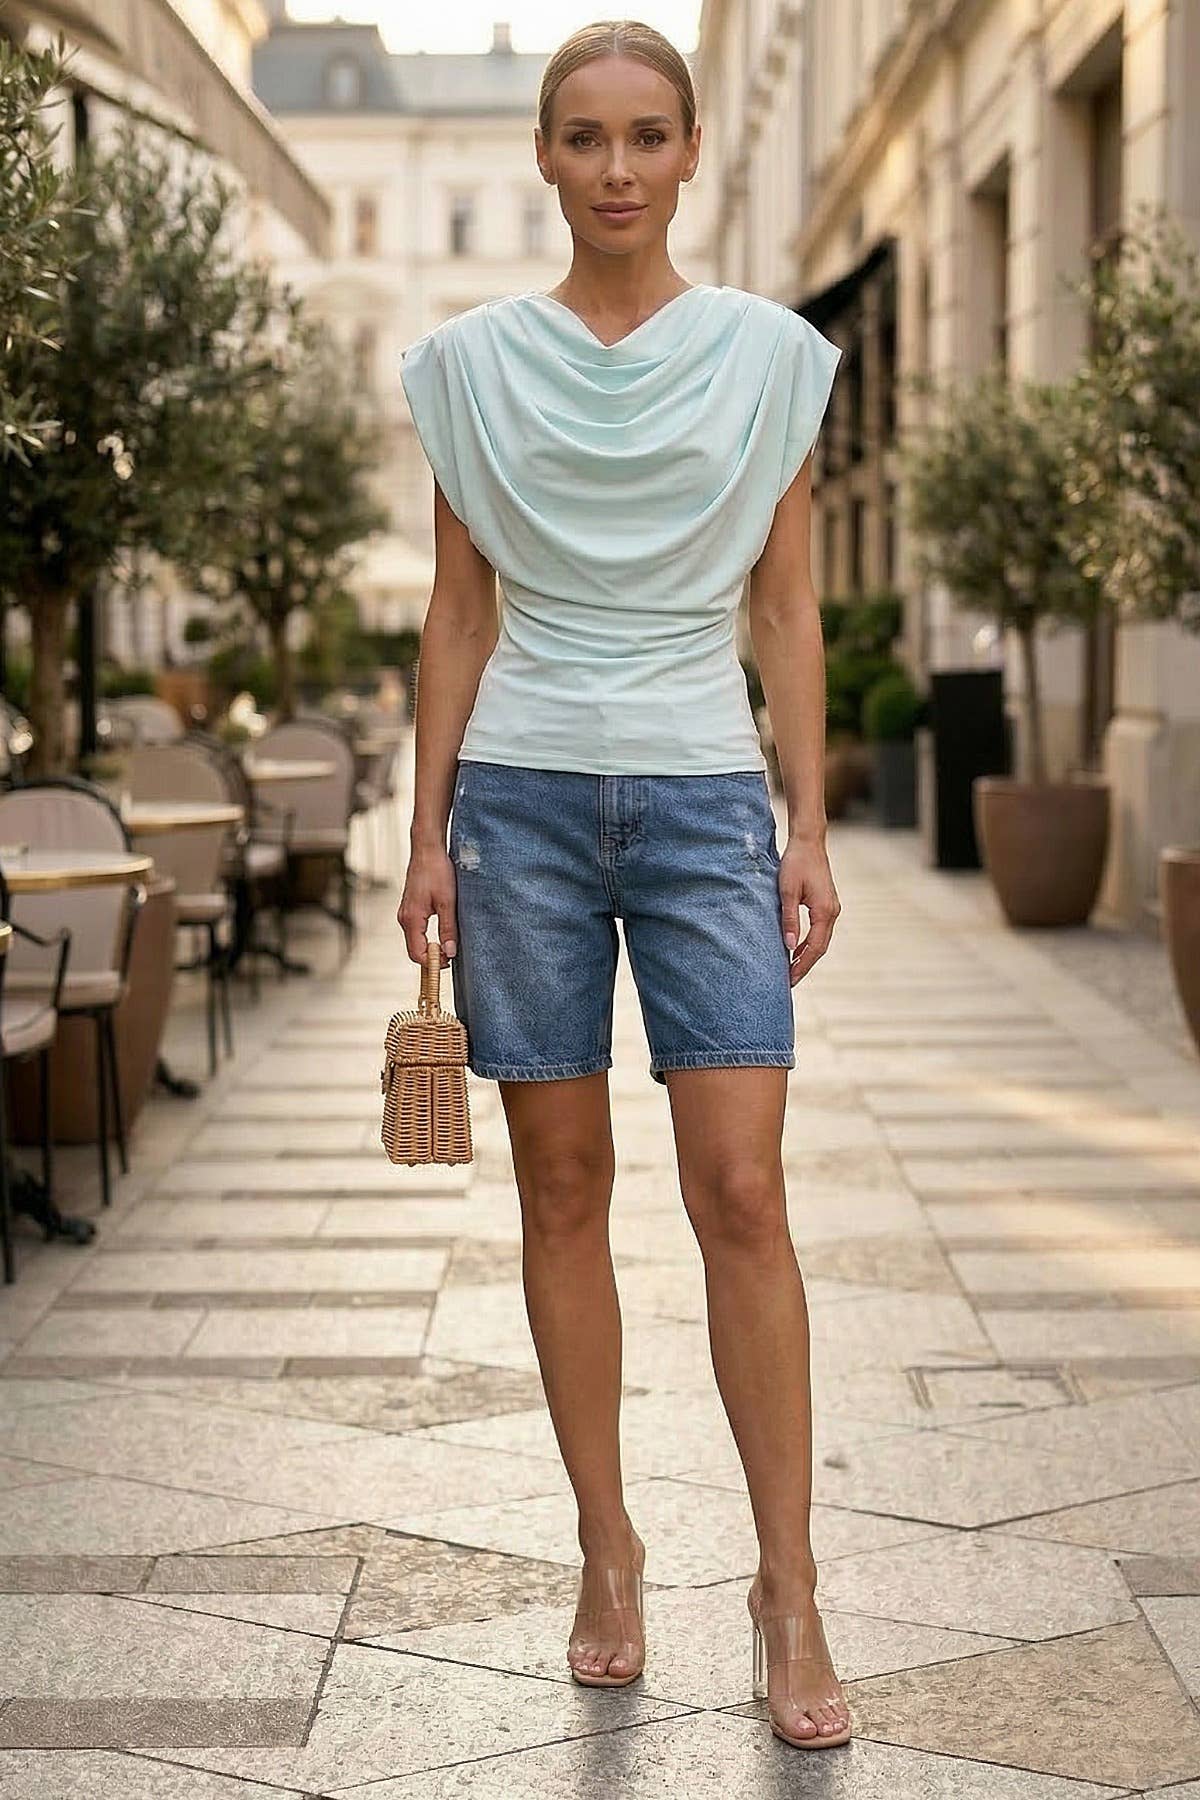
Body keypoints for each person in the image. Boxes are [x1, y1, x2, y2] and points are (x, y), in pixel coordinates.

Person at [397, 18, 850, 1753]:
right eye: (583, 137)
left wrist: (803, 821)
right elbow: (456, 614)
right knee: (564, 1184)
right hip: (515, 800)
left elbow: (786, 609)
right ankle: (609, 1549)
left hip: (697, 800)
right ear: (543, 155)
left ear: (687, 156)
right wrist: (426, 834)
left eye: (646, 136)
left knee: (743, 1191)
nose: (615, 168)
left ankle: (787, 1584)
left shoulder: (769, 358)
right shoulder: (466, 363)